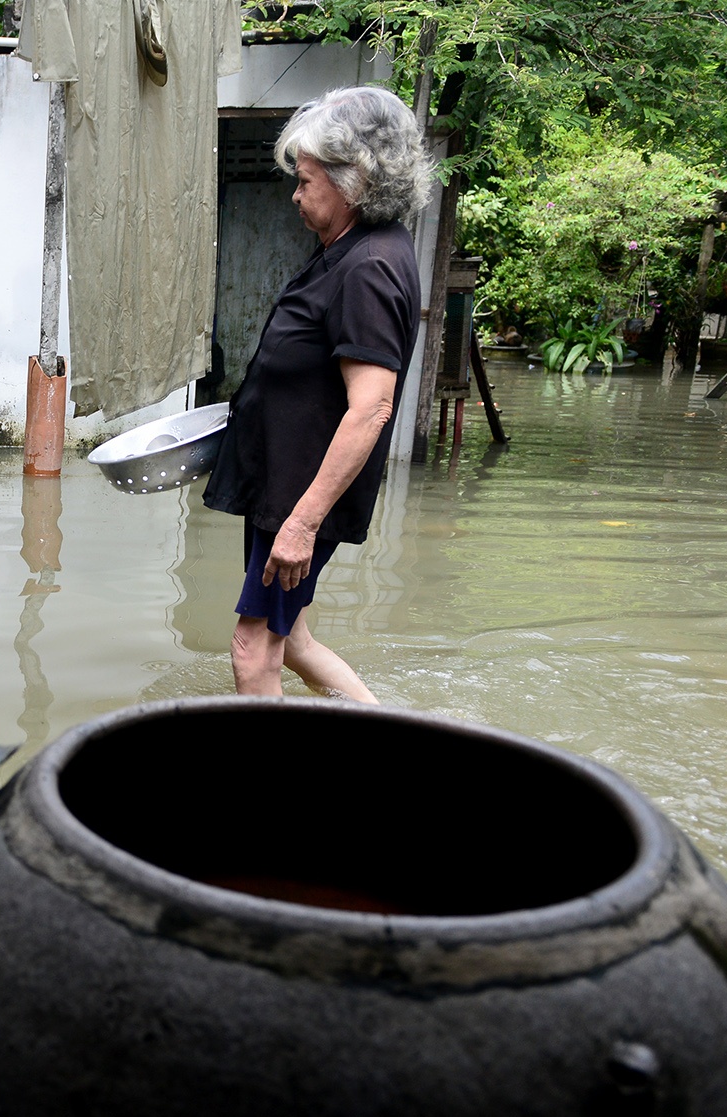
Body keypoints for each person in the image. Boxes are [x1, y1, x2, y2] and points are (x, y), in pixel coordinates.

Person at [200, 85, 434, 702]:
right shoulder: (348, 249)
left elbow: (372, 407)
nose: (297, 195)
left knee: (253, 653)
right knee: (293, 640)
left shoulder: (369, 268)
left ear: (354, 178)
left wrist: (302, 525)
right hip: (287, 487)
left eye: (306, 181)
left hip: (301, 500)